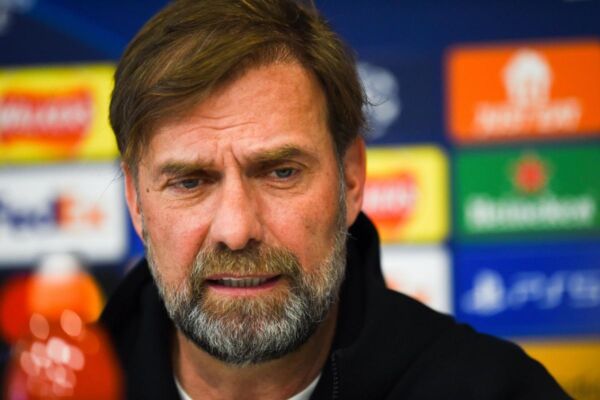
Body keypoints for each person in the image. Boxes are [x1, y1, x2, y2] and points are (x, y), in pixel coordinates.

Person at [101, 0, 571, 399]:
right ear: (136, 202)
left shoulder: (496, 389)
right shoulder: (66, 388)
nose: (236, 230)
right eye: (190, 182)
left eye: (281, 172)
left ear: (351, 179)